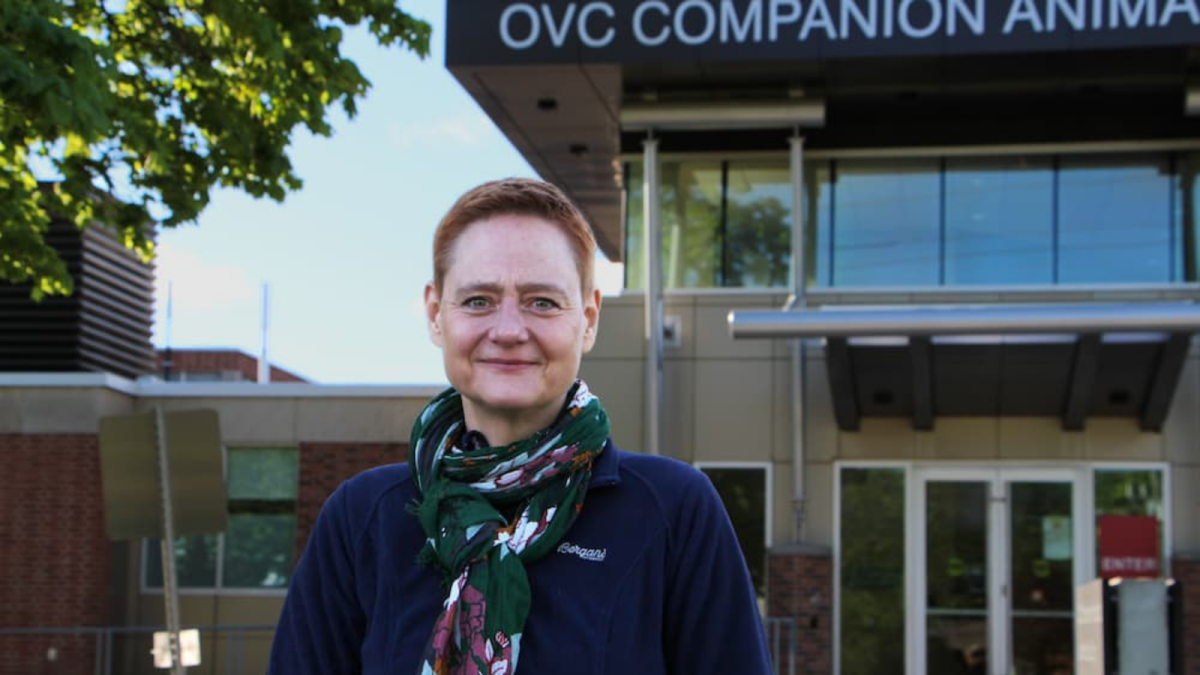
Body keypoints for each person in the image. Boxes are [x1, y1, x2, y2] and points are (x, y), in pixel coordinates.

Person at [267, 178, 772, 675]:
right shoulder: (364, 519)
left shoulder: (671, 511)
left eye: (542, 302)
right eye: (478, 300)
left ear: (589, 319)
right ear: (435, 314)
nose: (509, 330)